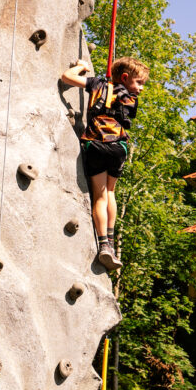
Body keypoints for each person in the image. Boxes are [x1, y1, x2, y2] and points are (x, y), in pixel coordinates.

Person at [62, 57, 149, 270]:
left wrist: (82, 67)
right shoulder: (130, 98)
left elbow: (66, 77)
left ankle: (103, 246)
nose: (140, 89)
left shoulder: (97, 84)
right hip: (119, 146)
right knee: (110, 193)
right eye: (139, 83)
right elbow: (122, 109)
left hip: (97, 143)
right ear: (125, 78)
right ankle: (110, 242)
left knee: (100, 196)